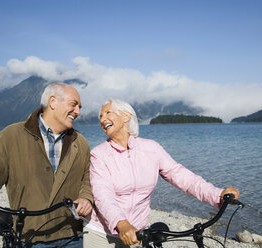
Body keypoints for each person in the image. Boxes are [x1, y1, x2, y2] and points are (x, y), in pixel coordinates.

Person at [0, 83, 93, 247]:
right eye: (74, 104)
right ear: (53, 102)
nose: (78, 112)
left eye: (79, 107)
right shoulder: (11, 135)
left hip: (73, 235)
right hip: (29, 235)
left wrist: (86, 198)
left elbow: (88, 177)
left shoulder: (80, 142)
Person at [83, 98, 240, 248]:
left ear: (126, 116)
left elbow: (181, 176)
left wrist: (217, 194)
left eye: (108, 113)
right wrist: (122, 223)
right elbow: (103, 195)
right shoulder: (99, 154)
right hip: (102, 233)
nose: (102, 119)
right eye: (100, 116)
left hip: (139, 233)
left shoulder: (151, 148)